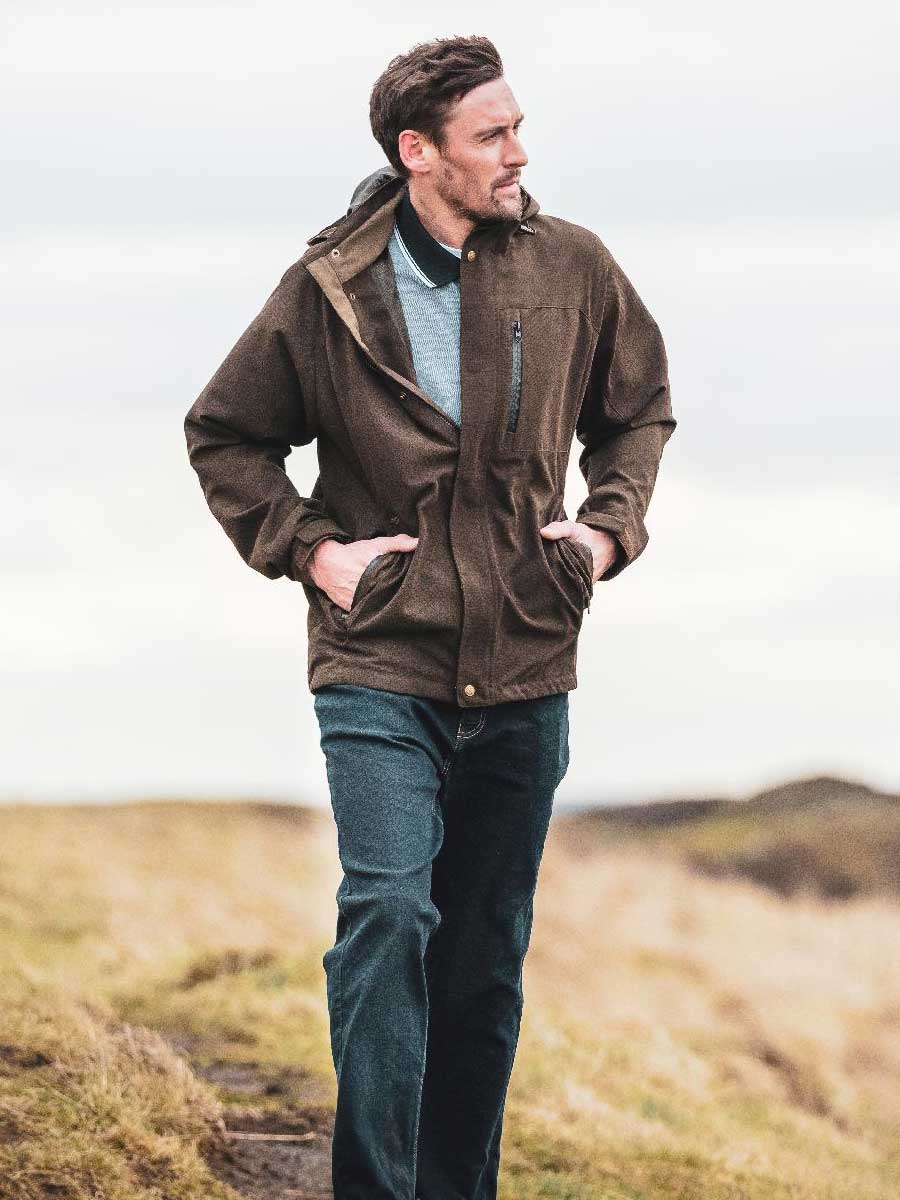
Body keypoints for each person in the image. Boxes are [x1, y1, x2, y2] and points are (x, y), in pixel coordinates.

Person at [184, 34, 676, 1200]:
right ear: (419, 151)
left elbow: (637, 411)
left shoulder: (572, 267)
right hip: (379, 659)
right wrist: (316, 553)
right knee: (391, 914)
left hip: (527, 661)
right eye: (492, 134)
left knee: (483, 961)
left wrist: (605, 535)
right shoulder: (328, 291)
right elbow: (227, 435)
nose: (519, 153)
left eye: (518, 127)